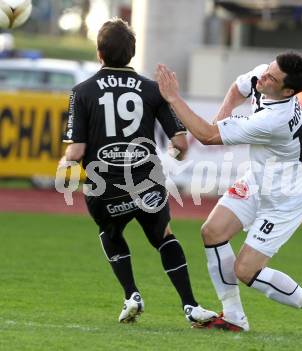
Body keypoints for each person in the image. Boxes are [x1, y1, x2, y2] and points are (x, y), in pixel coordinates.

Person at [155, 52, 302, 337]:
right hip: (259, 180)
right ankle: (234, 316)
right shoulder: (266, 76)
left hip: (286, 199)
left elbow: (208, 137)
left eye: (272, 77)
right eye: (268, 70)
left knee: (246, 271)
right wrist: (223, 114)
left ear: (287, 91)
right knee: (213, 232)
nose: (264, 76)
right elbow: (238, 88)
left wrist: (173, 98)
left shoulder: (275, 119)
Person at [58, 18, 217, 325]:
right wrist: (171, 155)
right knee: (164, 238)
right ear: (131, 54)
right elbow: (181, 143)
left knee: (111, 234)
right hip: (147, 182)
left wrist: (65, 161)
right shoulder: (153, 90)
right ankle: (190, 306)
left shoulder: (82, 91)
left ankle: (132, 295)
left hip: (104, 188)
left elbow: (76, 151)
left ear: (99, 53)